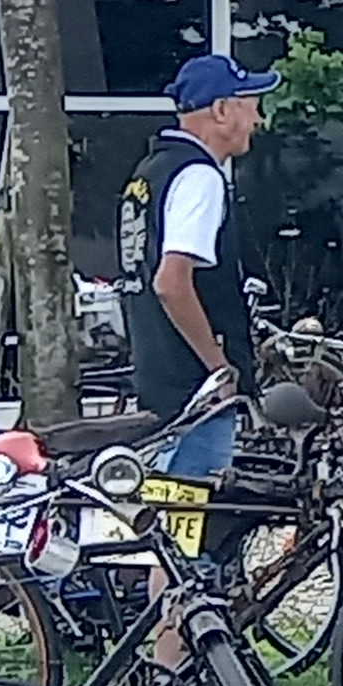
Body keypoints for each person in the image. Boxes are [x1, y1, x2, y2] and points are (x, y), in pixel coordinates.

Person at [118, 53, 272, 571]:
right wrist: (219, 369)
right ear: (222, 110)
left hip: (157, 374)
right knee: (191, 539)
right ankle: (177, 628)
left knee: (172, 535)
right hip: (193, 390)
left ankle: (166, 625)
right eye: (251, 105)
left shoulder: (148, 174)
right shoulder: (199, 177)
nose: (258, 119)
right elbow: (171, 282)